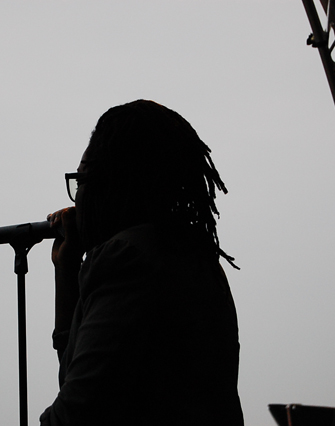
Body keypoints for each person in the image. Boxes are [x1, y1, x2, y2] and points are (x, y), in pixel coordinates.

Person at [41, 100, 243, 426]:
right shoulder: (201, 263)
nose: (78, 198)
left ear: (112, 182)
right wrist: (67, 271)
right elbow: (78, 376)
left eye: (82, 180)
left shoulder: (126, 259)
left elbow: (74, 415)